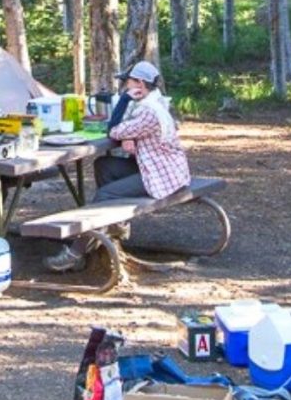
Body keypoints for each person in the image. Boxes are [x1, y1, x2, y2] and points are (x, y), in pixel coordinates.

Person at [44, 61, 191, 272]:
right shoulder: (153, 102)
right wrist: (127, 137)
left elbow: (113, 129)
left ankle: (75, 253)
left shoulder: (149, 111)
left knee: (106, 194)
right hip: (157, 166)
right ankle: (116, 225)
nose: (124, 87)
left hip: (162, 176)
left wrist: (123, 102)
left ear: (139, 83)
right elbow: (125, 131)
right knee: (105, 165)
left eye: (127, 82)